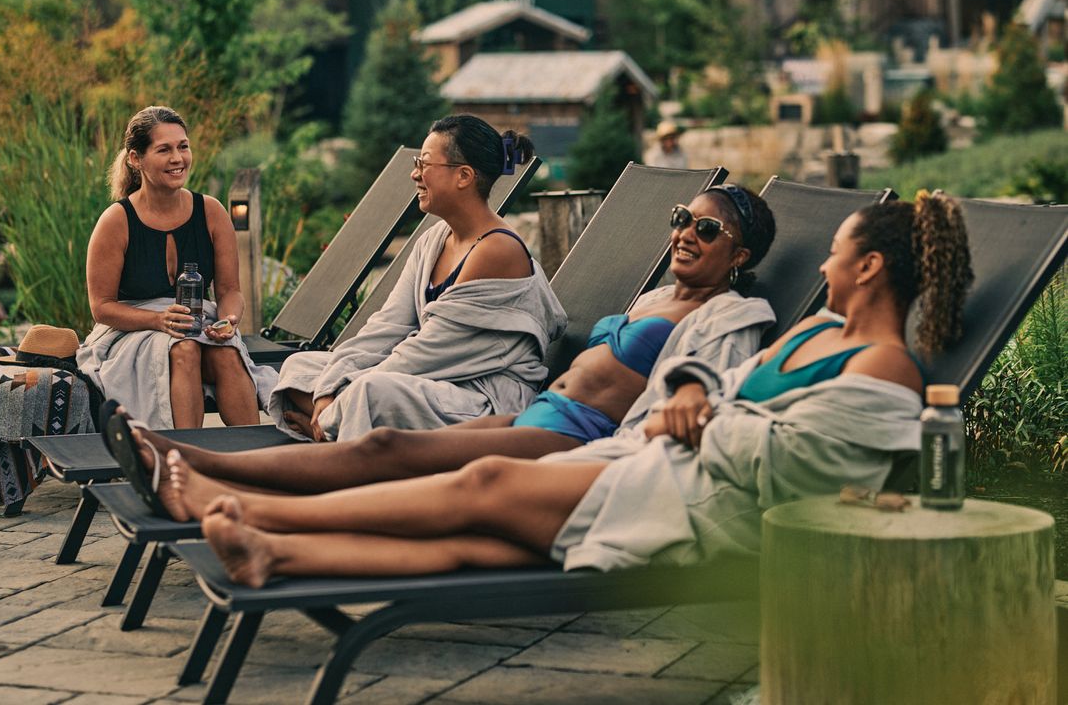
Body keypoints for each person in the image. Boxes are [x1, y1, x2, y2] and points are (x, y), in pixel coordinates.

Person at [152, 189, 974, 585]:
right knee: (476, 541)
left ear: (866, 267)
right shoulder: (821, 332)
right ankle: (273, 549)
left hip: (695, 504)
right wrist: (688, 390)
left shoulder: (885, 374)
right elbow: (712, 376)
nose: (824, 264)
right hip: (651, 461)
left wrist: (692, 417)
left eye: (836, 251)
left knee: (477, 484)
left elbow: (791, 466)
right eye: (681, 220)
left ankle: (249, 509)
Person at [110, 184, 778, 508]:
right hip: (538, 412)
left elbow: (712, 376)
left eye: (707, 228)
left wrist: (689, 391)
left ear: (739, 255)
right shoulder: (653, 298)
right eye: (681, 218)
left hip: (580, 433)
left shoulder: (734, 312)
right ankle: (177, 458)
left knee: (387, 447)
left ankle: (196, 475)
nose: (686, 232)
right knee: (382, 446)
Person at [269, 115, 566, 442]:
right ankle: (334, 427)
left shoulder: (496, 251)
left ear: (463, 176)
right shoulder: (434, 239)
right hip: (430, 383)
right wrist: (329, 388)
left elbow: (428, 352)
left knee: (367, 392)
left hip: (481, 399)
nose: (414, 174)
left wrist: (344, 391)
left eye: (424, 164)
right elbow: (387, 326)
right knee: (300, 367)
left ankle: (331, 433)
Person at [78, 106, 276, 429]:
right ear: (135, 159)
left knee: (226, 353)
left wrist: (228, 320)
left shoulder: (211, 213)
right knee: (184, 350)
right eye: (164, 149)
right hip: (134, 330)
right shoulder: (116, 222)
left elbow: (229, 291)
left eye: (183, 146)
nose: (178, 158)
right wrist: (158, 320)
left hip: (199, 325)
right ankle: (185, 463)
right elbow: (101, 308)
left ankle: (253, 463)